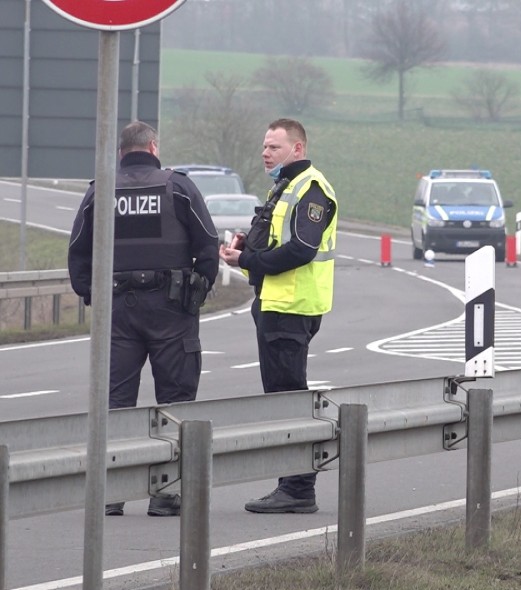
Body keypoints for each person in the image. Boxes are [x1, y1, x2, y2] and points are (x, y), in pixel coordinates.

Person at [67, 120, 219, 517]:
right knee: (175, 398)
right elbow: (207, 245)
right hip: (171, 310)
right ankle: (166, 493)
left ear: (121, 152)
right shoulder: (178, 187)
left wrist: (93, 296)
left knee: (116, 401)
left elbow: (79, 251)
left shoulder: (100, 191)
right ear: (153, 147)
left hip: (117, 312)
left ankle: (112, 492)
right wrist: (196, 291)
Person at [219, 118, 337, 514]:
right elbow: (277, 242)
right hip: (274, 303)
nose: (265, 153)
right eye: (264, 147)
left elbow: (302, 248)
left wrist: (249, 258)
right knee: (281, 397)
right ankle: (292, 484)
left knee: (288, 399)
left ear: (297, 149)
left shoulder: (312, 189)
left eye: (273, 147)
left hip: (292, 307)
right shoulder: (284, 188)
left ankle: (299, 488)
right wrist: (245, 250)